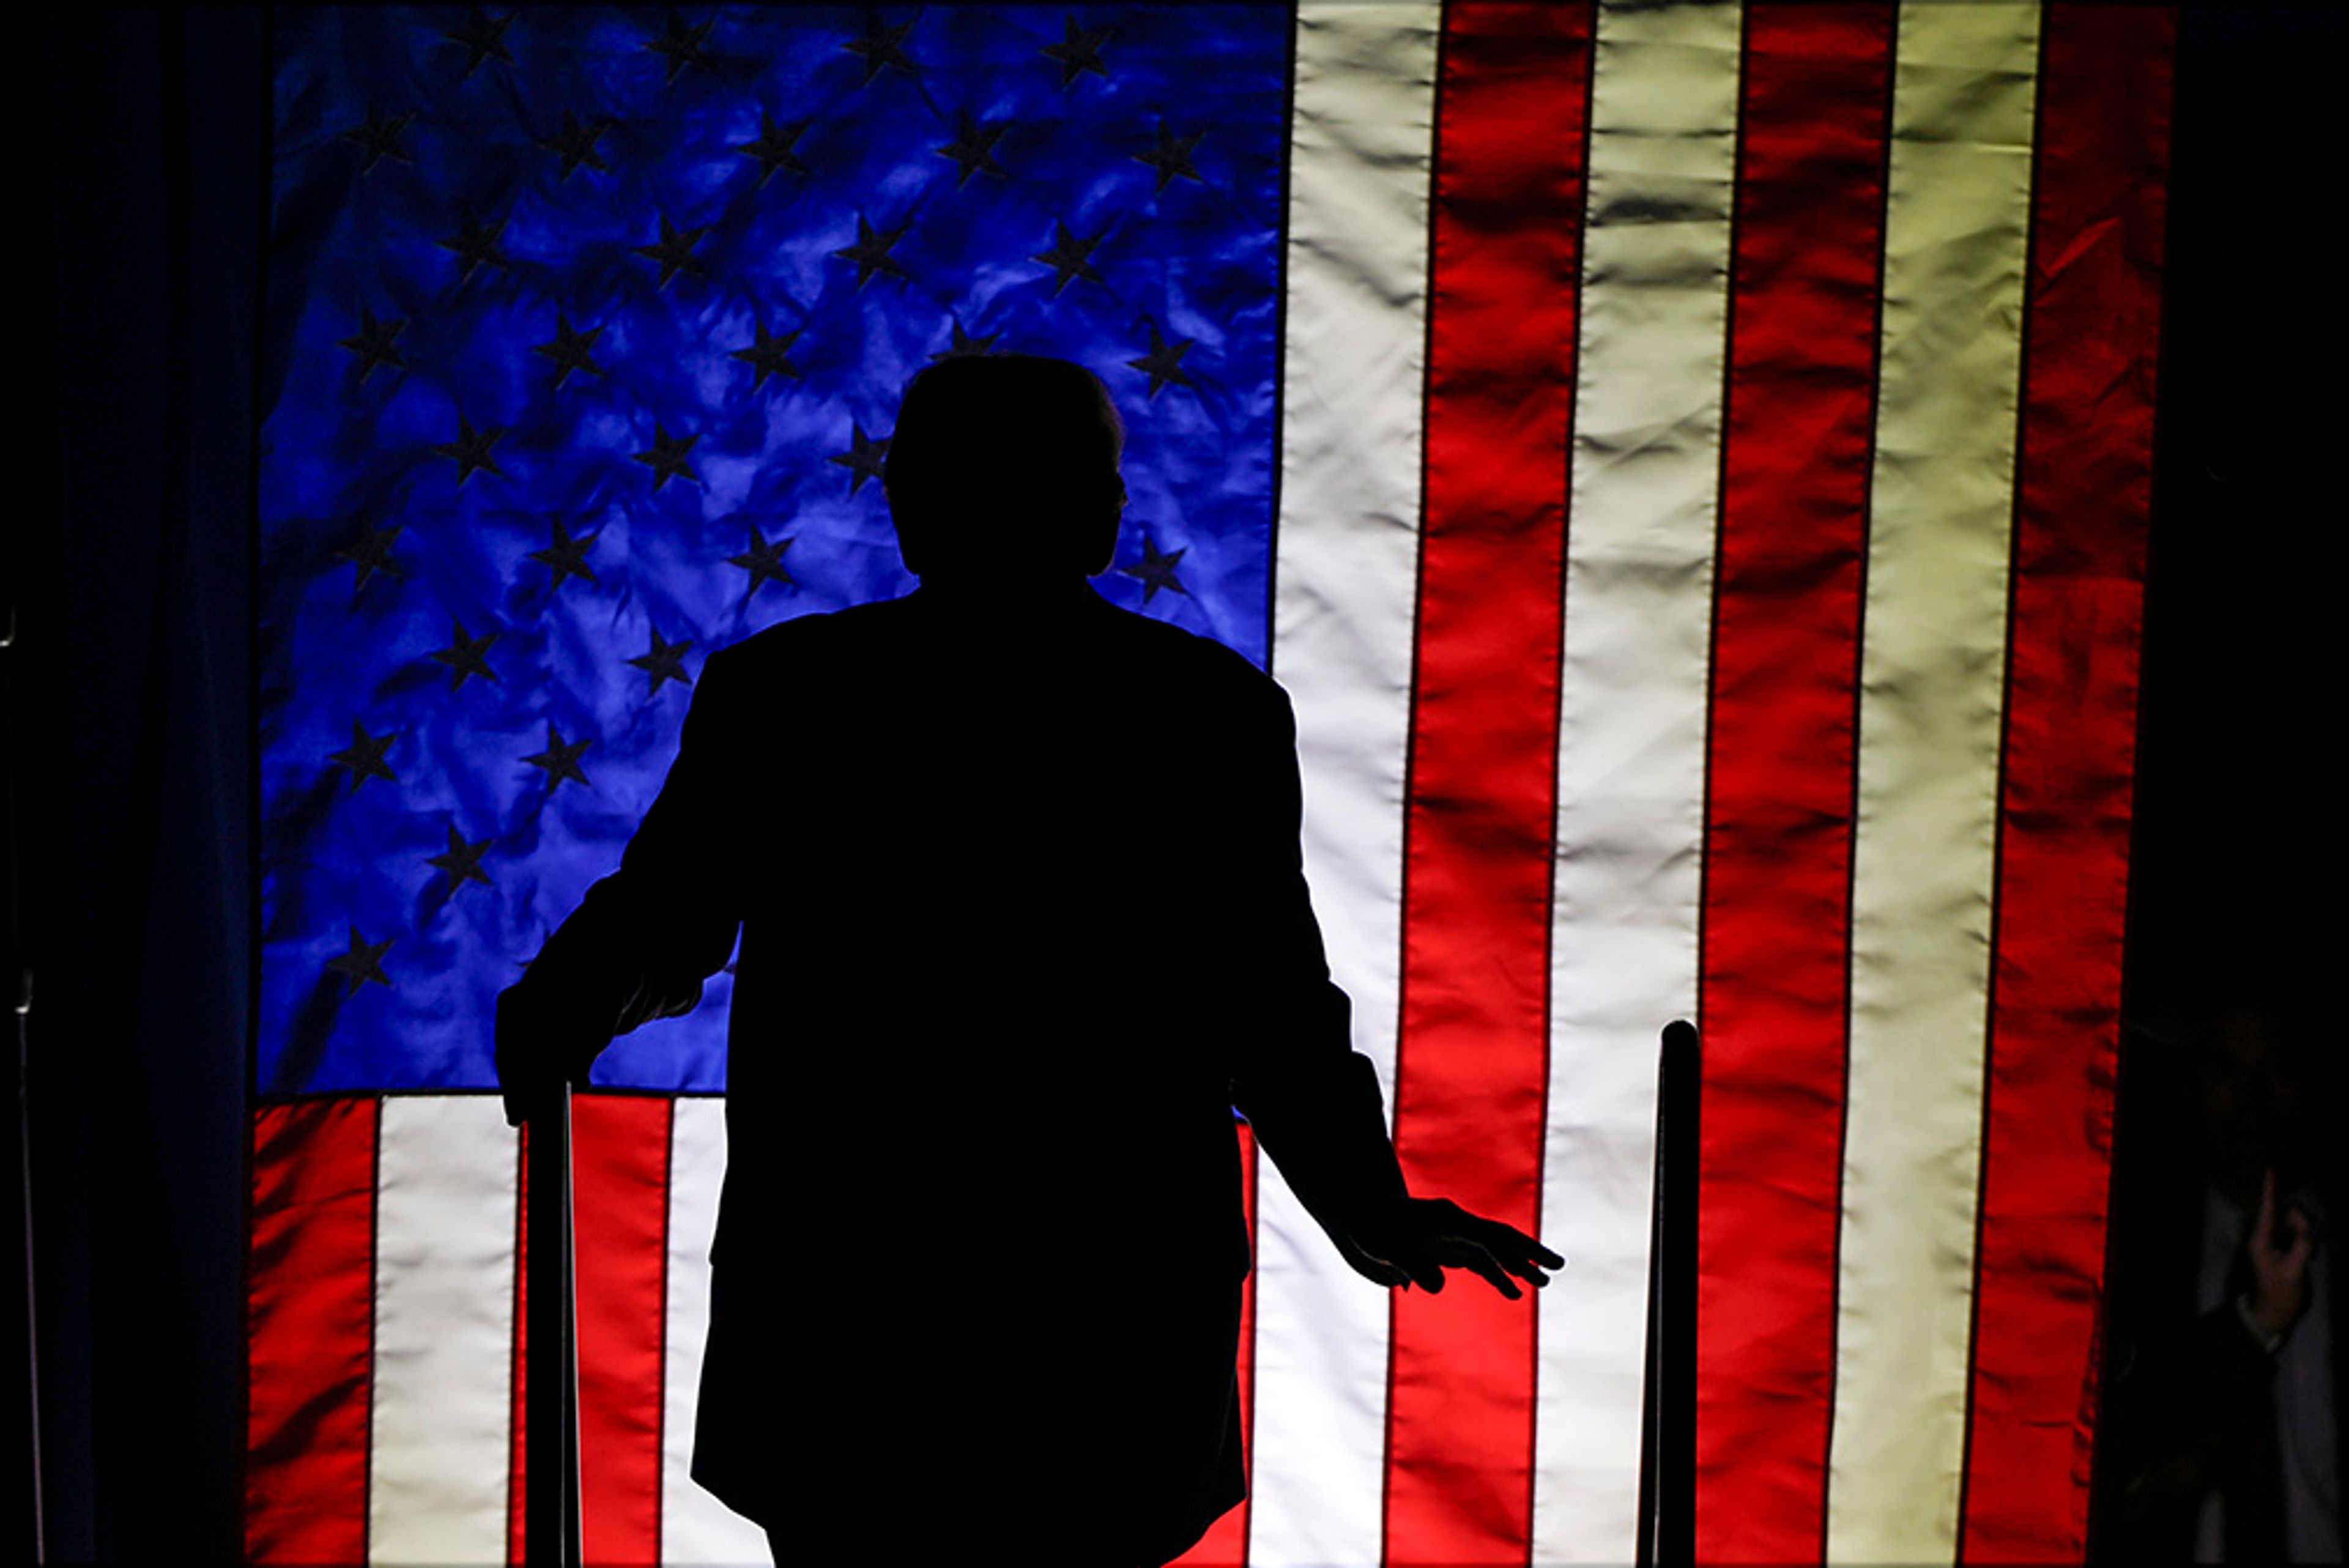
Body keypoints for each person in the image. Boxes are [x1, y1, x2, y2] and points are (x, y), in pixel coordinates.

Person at [495, 355, 1562, 1564]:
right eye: (1087, 481)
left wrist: (567, 998)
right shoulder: (1198, 714)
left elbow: (1269, 1007)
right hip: (1013, 1333)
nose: (1107, 508)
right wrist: (1370, 1205)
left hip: (909, 1328)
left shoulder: (801, 697)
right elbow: (1273, 1010)